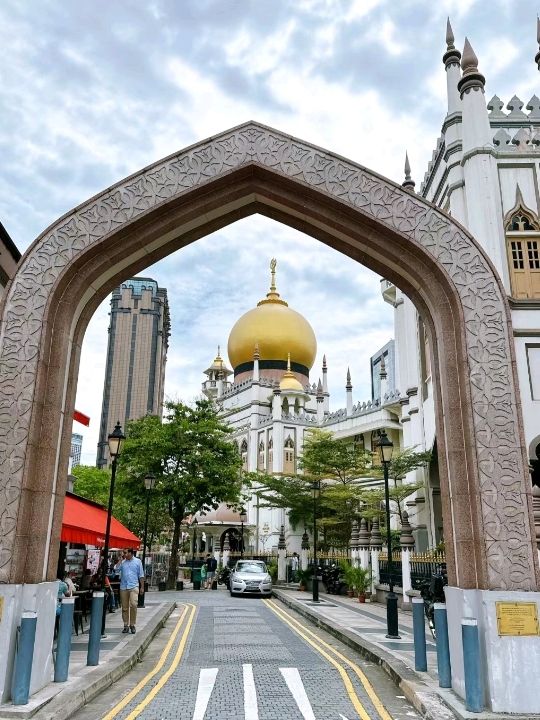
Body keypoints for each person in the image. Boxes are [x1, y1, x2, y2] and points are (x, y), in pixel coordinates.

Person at [119, 548, 144, 633]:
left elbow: (141, 575)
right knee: (124, 607)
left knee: (133, 604)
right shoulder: (122, 562)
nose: (124, 554)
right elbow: (115, 569)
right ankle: (125, 625)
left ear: (130, 553)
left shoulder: (138, 561)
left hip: (134, 586)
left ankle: (132, 624)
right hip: (123, 587)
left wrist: (142, 587)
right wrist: (120, 560)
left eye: (125, 552)